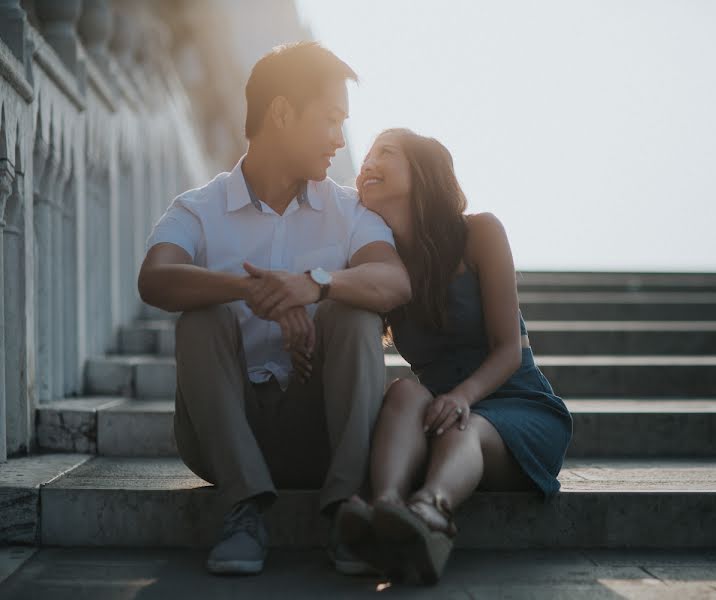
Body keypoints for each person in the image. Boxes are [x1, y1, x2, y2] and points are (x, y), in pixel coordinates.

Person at [137, 42, 411, 577]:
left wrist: (315, 286)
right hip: (222, 435)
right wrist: (247, 291)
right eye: (330, 119)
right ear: (282, 112)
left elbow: (393, 279)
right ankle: (243, 510)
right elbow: (156, 279)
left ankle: (346, 511)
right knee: (203, 317)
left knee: (352, 314)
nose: (339, 139)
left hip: (322, 429)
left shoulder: (348, 211)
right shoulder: (198, 208)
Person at [336, 128, 573, 584]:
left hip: (514, 407)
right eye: (365, 158)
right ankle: (385, 507)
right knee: (404, 390)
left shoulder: (480, 232)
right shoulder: (381, 266)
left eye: (385, 153)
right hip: (441, 414)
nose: (367, 164)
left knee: (469, 424)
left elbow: (508, 351)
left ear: (423, 170)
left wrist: (464, 395)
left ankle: (430, 511)